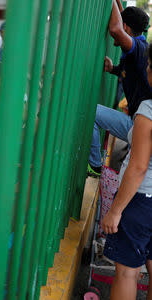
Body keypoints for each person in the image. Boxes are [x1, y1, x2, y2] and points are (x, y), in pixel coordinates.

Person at [100, 44, 152, 300]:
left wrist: (116, 210)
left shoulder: (148, 112)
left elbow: (139, 166)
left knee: (126, 273)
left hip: (141, 200)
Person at [88, 1, 151, 177]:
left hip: (139, 128)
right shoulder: (140, 47)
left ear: (126, 28)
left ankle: (94, 166)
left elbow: (116, 29)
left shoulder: (138, 49)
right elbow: (122, 23)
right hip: (139, 126)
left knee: (92, 112)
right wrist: (113, 69)